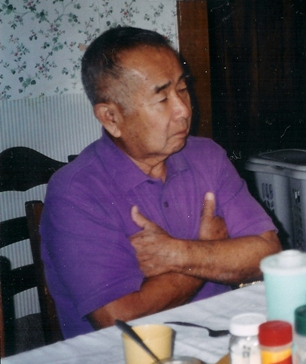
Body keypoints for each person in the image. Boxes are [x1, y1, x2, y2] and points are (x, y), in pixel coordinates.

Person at [41, 27, 281, 339]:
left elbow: (269, 254)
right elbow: (119, 319)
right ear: (111, 117)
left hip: (218, 337)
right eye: (162, 97)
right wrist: (209, 249)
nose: (183, 109)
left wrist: (178, 254)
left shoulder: (207, 155)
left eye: (182, 89)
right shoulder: (75, 192)